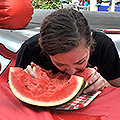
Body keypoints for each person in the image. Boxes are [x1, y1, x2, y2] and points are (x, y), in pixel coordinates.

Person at [15, 9, 120, 94]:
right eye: (60, 64)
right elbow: (12, 91)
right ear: (44, 49)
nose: (71, 72)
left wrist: (105, 84)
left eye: (80, 62)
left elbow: (117, 88)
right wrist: (23, 80)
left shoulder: (104, 45)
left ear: (90, 41)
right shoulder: (31, 48)